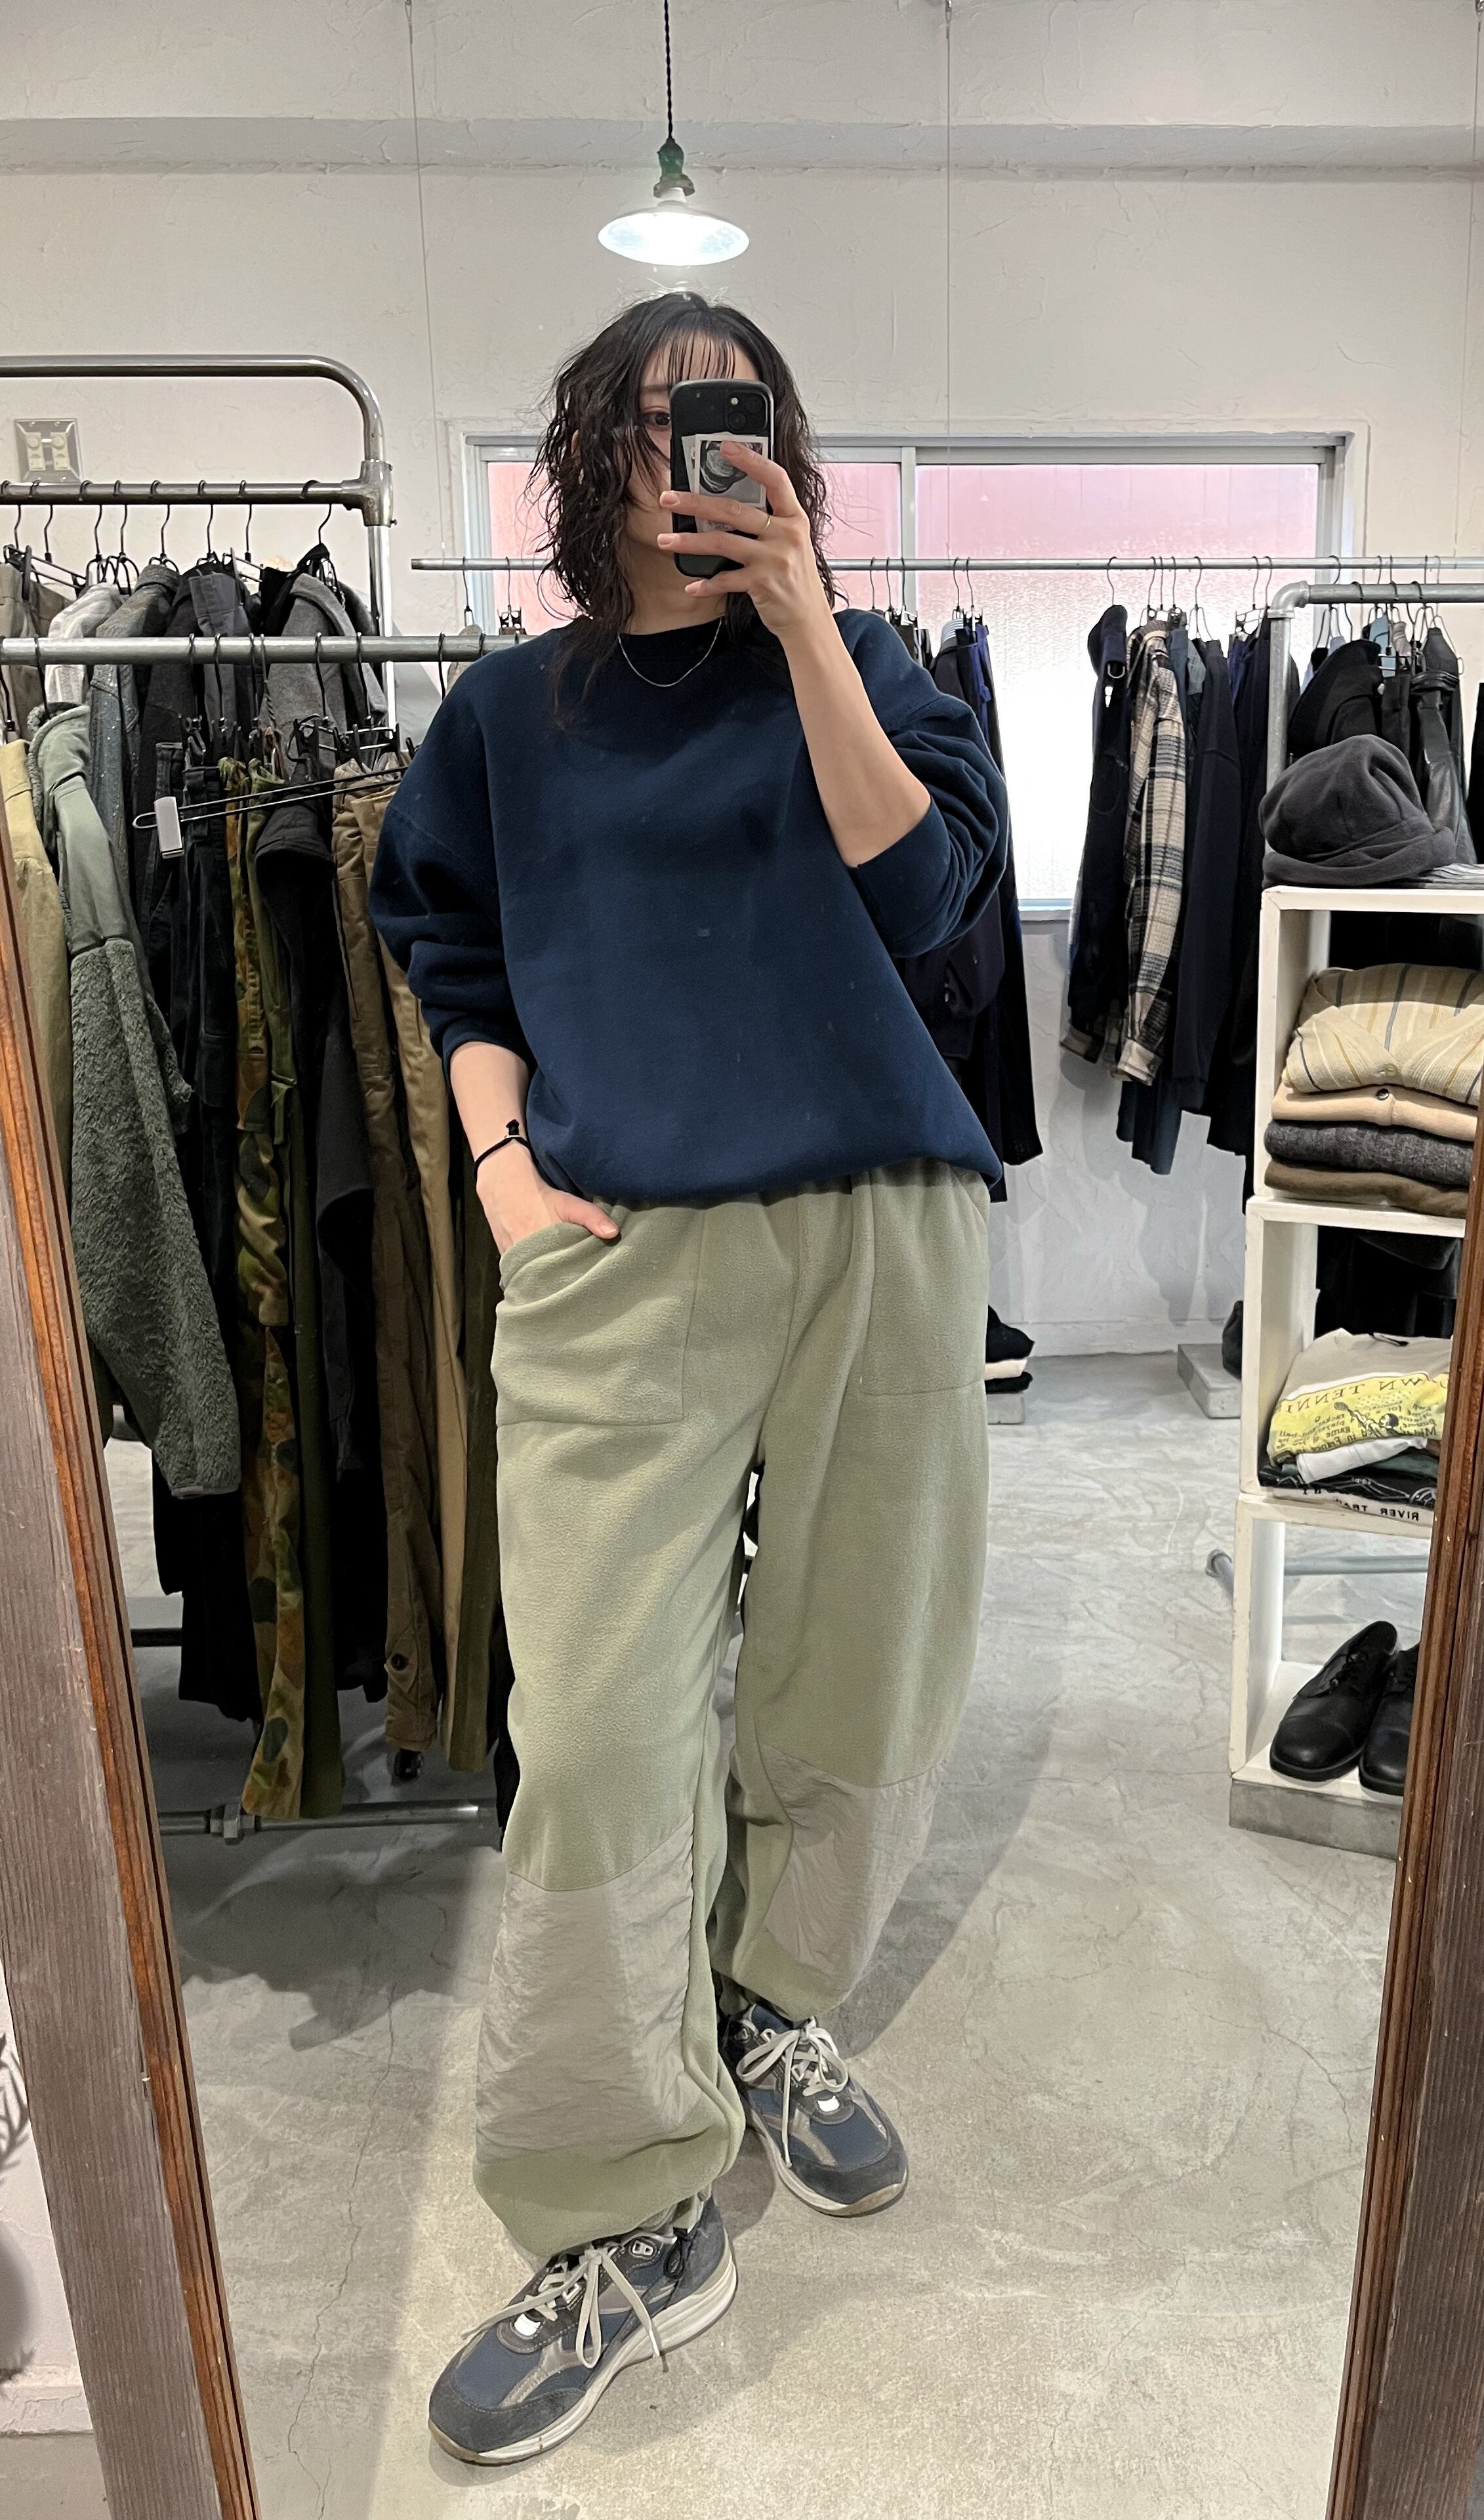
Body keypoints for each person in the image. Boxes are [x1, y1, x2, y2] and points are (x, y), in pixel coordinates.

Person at [369, 291, 1004, 2466]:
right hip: (615, 1248)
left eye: (726, 421)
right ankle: (618, 2206)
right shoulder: (507, 715)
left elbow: (925, 896)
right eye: (647, 421)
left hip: (877, 1226)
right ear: (588, 452)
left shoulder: (875, 661)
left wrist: (809, 622)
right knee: (598, 1734)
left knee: (861, 1677)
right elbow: (447, 948)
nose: (686, 454)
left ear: (782, 450)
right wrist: (496, 1171)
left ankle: (771, 2007)